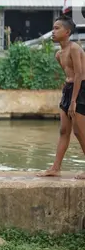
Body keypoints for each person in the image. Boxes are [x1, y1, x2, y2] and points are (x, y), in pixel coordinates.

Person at [37, 15, 85, 179]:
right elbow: (69, 76)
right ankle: (55, 168)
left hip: (81, 90)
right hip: (70, 90)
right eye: (53, 28)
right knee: (64, 130)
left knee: (80, 132)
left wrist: (73, 101)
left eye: (57, 28)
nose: (53, 31)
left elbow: (79, 75)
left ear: (67, 32)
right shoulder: (59, 54)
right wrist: (67, 91)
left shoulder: (75, 49)